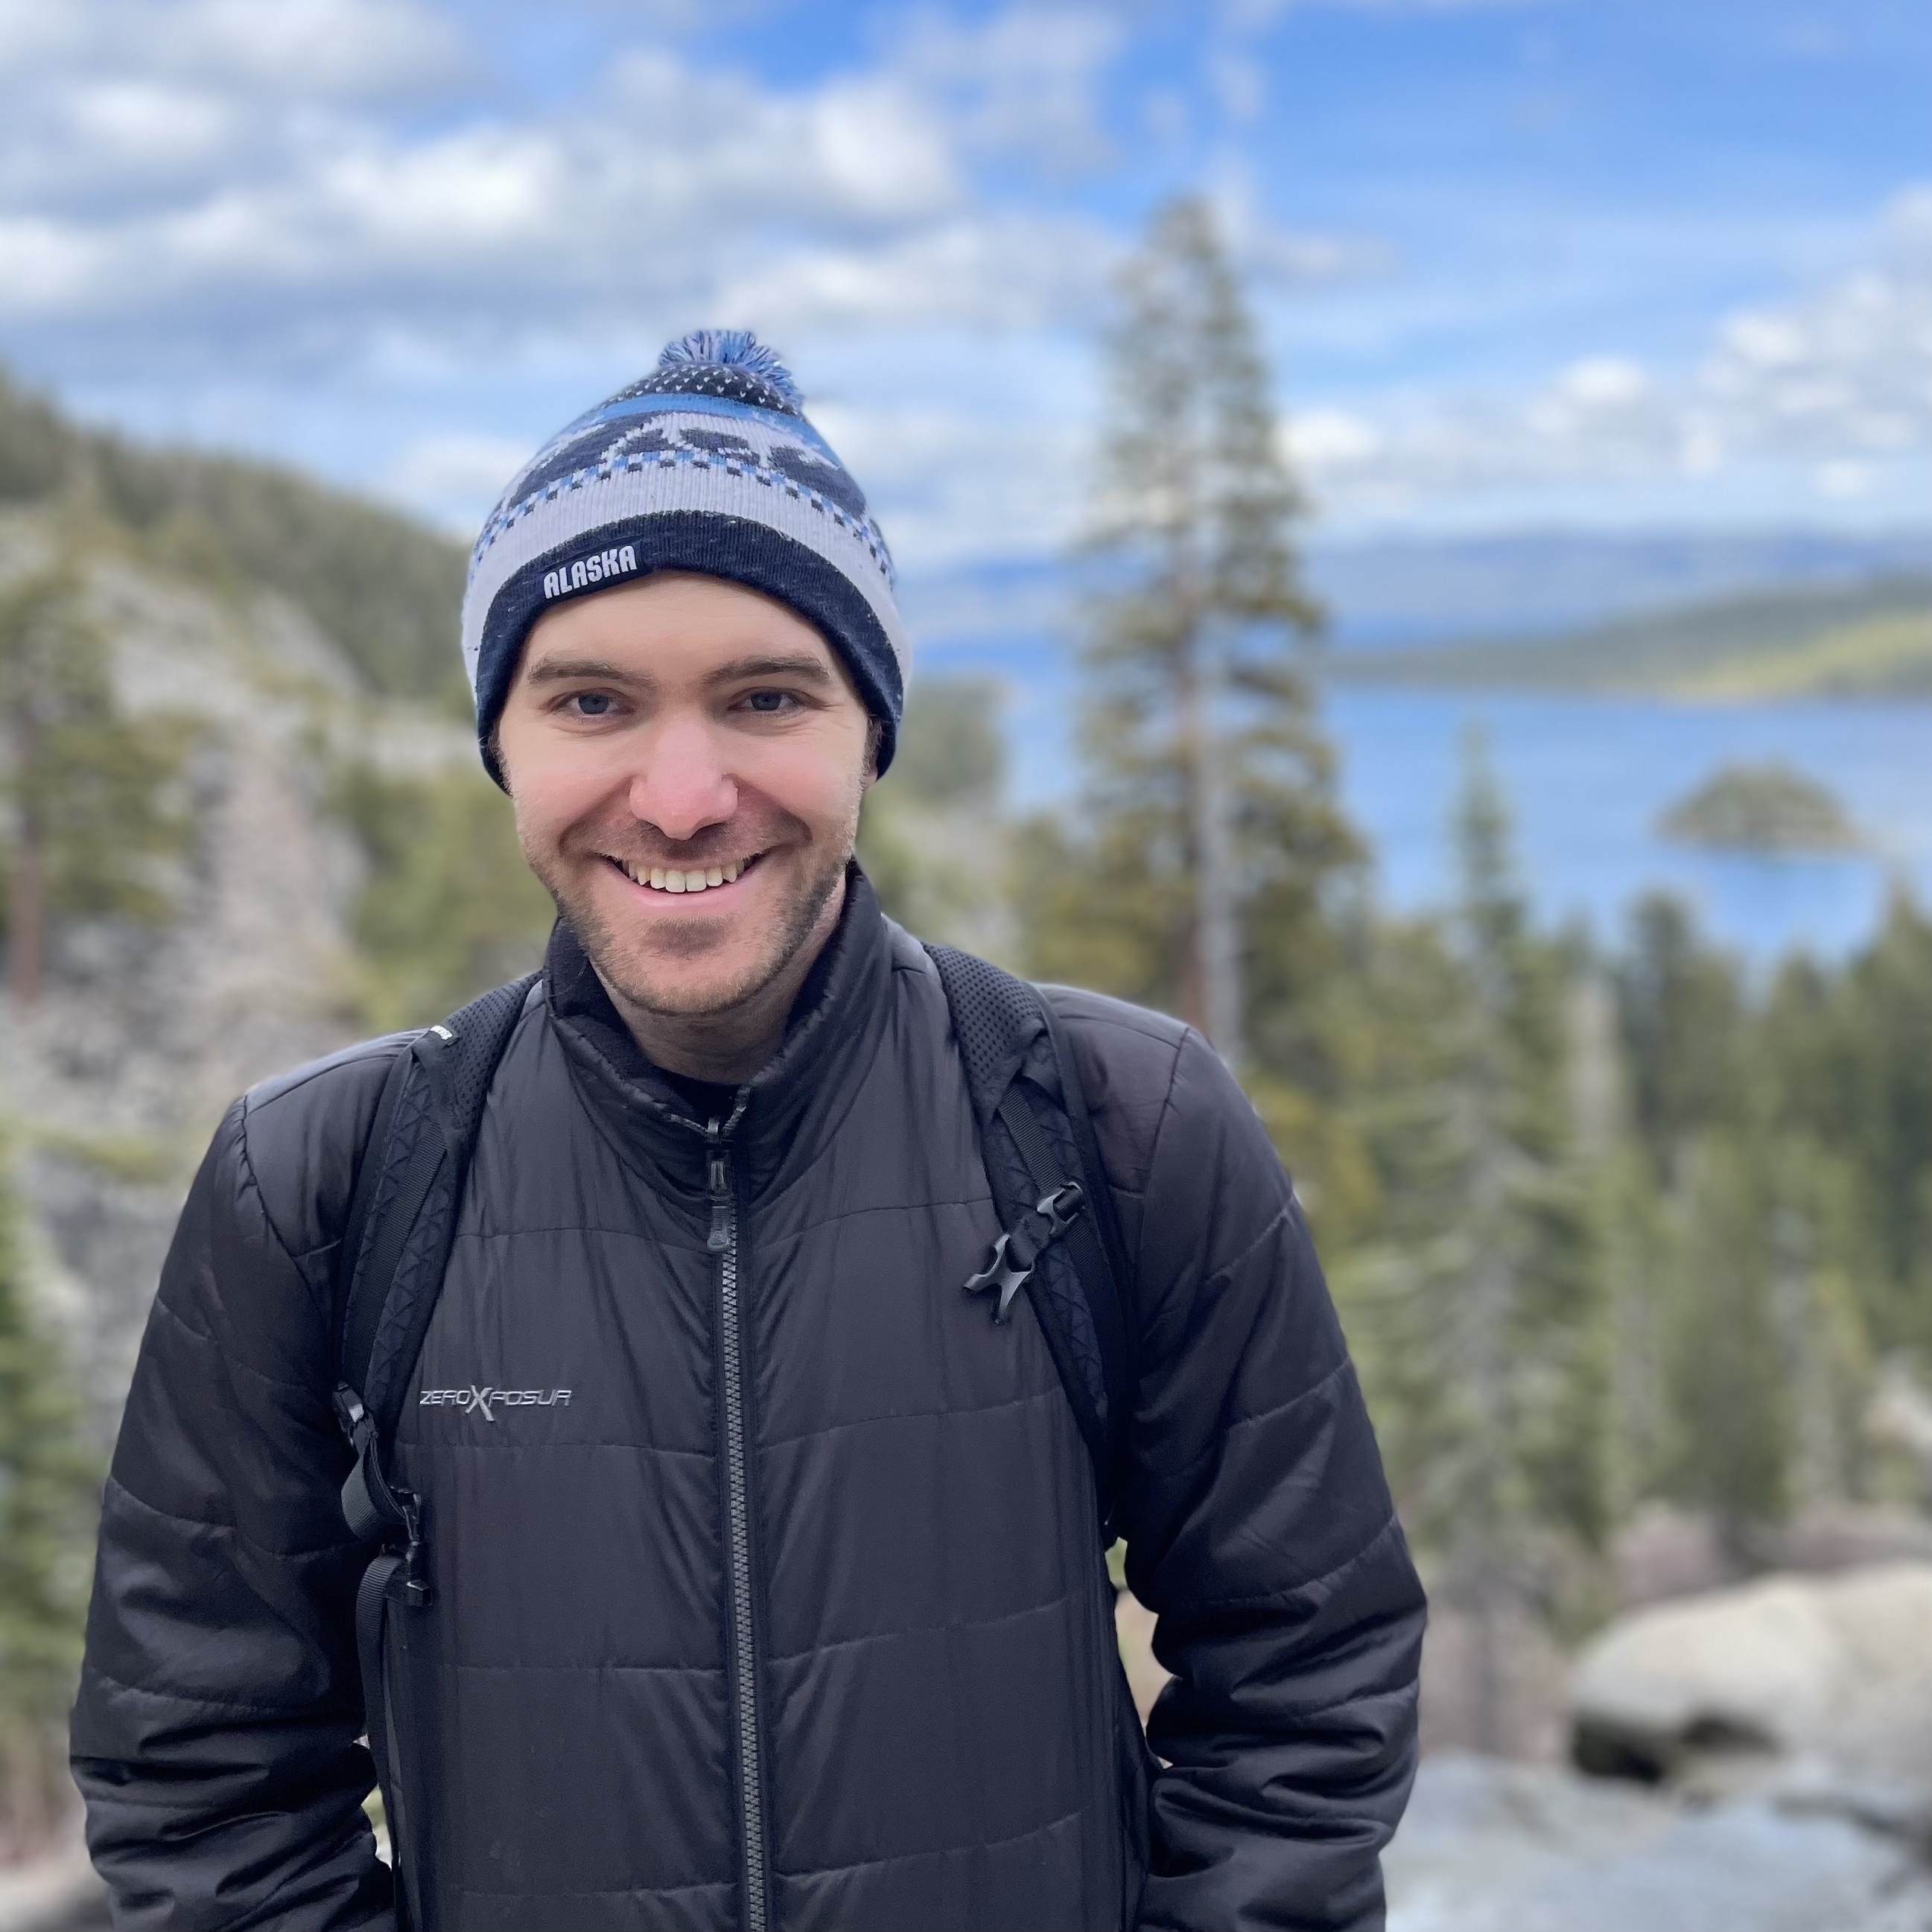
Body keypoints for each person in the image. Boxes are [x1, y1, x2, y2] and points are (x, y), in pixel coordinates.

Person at [72, 331, 1425, 1931]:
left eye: (766, 696)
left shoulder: (1115, 1125)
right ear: (504, 742)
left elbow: (1305, 1683)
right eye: (592, 701)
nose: (682, 792)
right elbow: (201, 1777)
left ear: (871, 730)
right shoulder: (326, 1179)